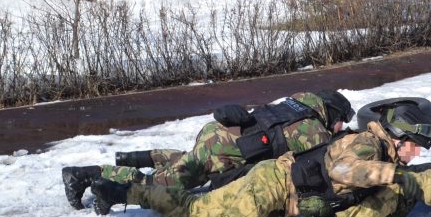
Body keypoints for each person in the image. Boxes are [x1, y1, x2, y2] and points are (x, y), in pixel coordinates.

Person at [91, 101, 431, 217]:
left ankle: (121, 191)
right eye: (414, 146)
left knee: (193, 209)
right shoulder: (367, 146)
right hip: (275, 186)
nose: (417, 154)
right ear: (397, 136)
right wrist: (392, 175)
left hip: (272, 178)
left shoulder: (374, 147)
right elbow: (342, 170)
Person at [61, 90, 354, 210]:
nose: (341, 127)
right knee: (161, 184)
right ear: (331, 113)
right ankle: (90, 176)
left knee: (188, 160)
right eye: (341, 121)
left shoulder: (299, 101)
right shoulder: (315, 131)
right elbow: (322, 161)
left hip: (219, 132)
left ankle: (131, 159)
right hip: (223, 152)